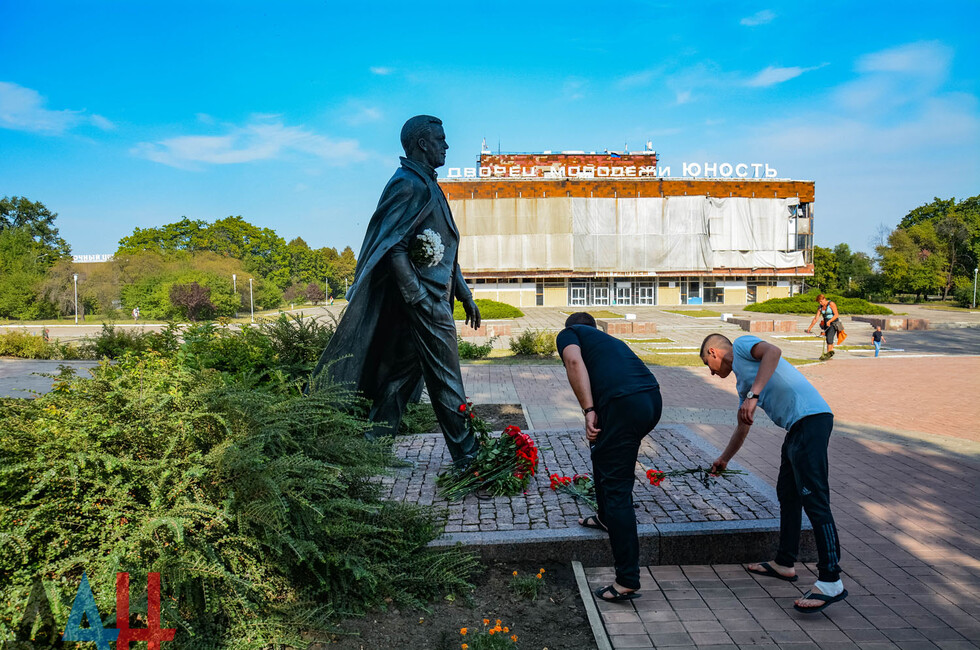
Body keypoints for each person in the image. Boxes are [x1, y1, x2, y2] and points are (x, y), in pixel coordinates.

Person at [312, 116, 481, 467]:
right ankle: (469, 458)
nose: (446, 146)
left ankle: (373, 449)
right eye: (440, 139)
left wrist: (463, 293)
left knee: (401, 376)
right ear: (422, 144)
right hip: (424, 302)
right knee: (447, 379)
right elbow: (393, 247)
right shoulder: (408, 184)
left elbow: (446, 251)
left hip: (429, 298)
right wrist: (418, 296)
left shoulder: (429, 185)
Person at [700, 333, 847, 613]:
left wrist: (755, 396)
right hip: (796, 429)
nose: (710, 370)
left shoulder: (742, 345)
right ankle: (784, 562)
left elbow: (773, 351)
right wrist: (724, 458)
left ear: (713, 352)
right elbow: (744, 425)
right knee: (788, 495)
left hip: (811, 421)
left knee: (815, 501)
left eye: (708, 363)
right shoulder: (743, 384)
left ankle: (831, 579)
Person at [556, 312, 662, 603]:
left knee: (617, 488)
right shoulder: (607, 340)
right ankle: (605, 517)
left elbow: (573, 362)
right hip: (651, 400)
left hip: (624, 404)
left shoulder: (570, 333)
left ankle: (627, 579)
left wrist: (589, 410)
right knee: (601, 452)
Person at [805, 294, 841, 361]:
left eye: (821, 301)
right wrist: (809, 328)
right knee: (828, 338)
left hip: (833, 323)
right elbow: (816, 318)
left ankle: (828, 354)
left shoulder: (831, 304)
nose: (820, 303)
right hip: (826, 323)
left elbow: (836, 315)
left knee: (829, 338)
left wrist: (830, 321)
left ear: (824, 299)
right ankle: (829, 353)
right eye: (819, 302)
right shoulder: (820, 307)